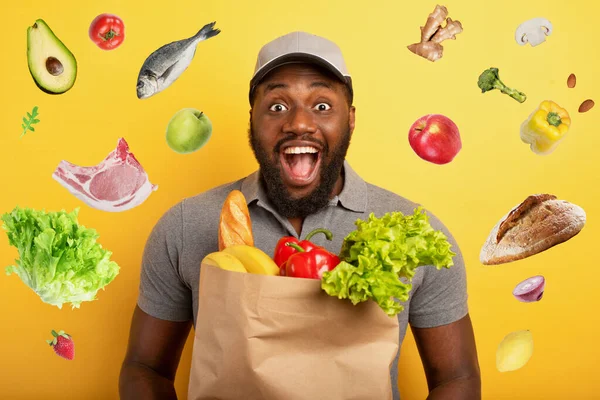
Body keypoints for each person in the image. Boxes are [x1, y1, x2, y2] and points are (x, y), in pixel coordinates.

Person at [119, 31, 481, 400]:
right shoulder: (186, 225)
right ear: (252, 120)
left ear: (351, 119)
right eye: (277, 106)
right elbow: (145, 368)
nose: (299, 123)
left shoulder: (409, 230)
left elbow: (457, 378)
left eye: (322, 106)